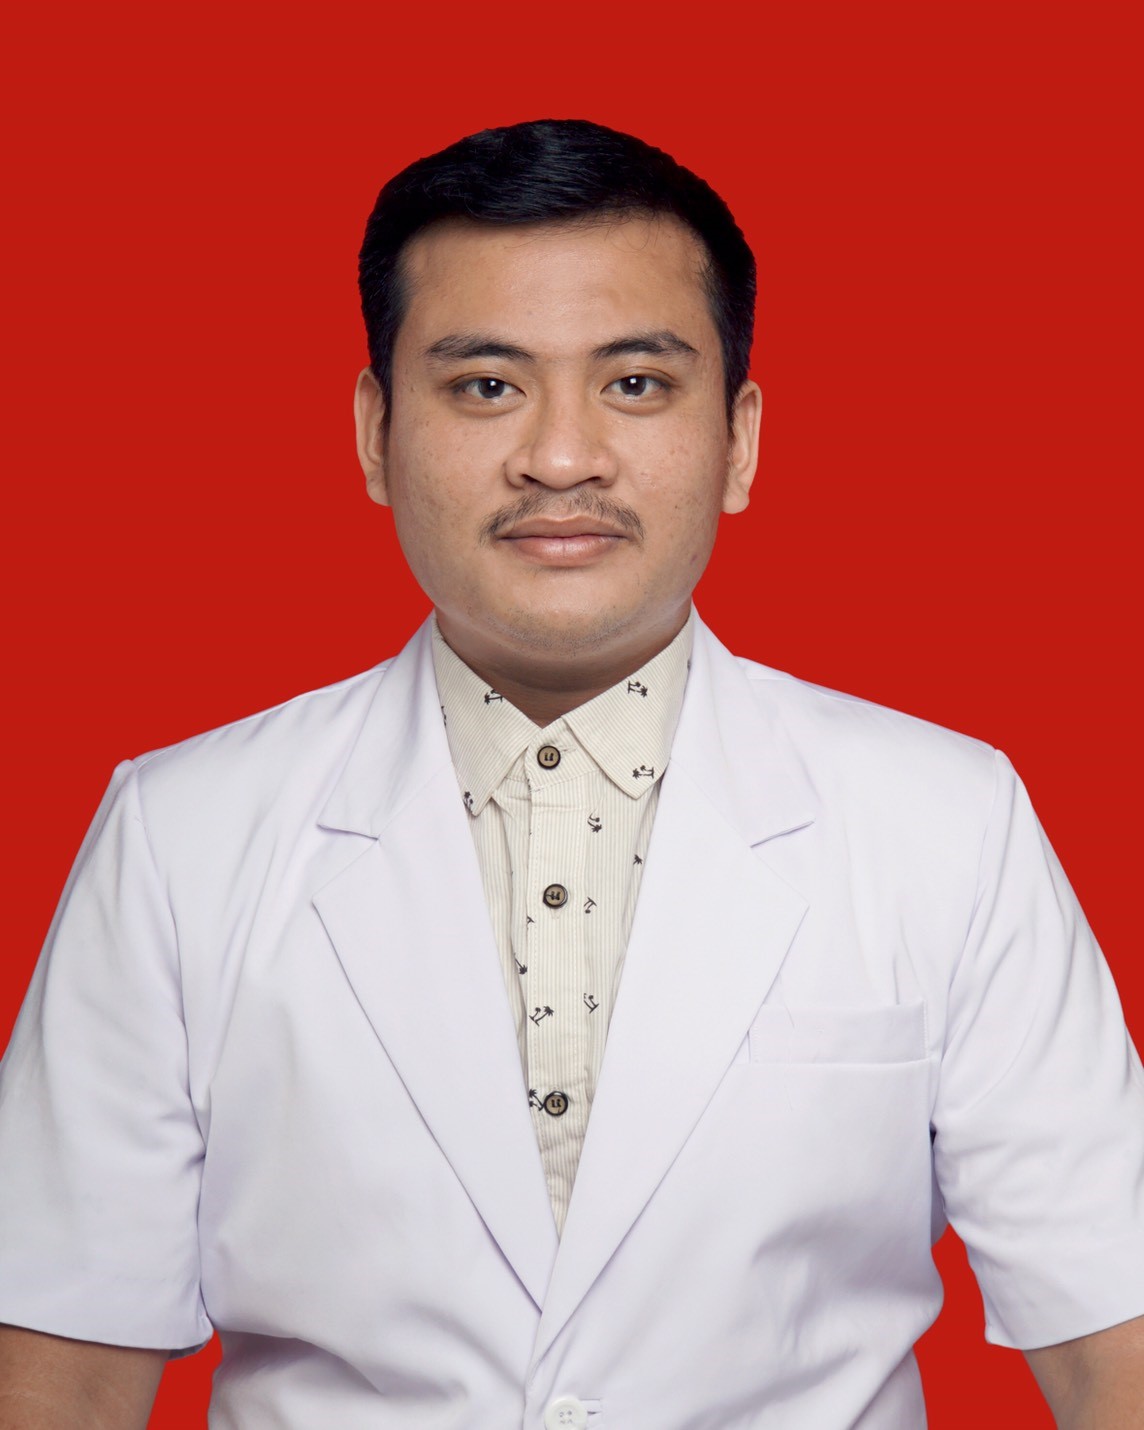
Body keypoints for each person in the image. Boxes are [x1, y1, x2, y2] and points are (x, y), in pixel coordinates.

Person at [0, 118, 1141, 1430]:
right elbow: (62, 1375)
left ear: (739, 439)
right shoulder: (180, 836)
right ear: (375, 432)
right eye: (487, 385)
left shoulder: (948, 822)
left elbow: (1115, 1340)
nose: (560, 457)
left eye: (636, 384)